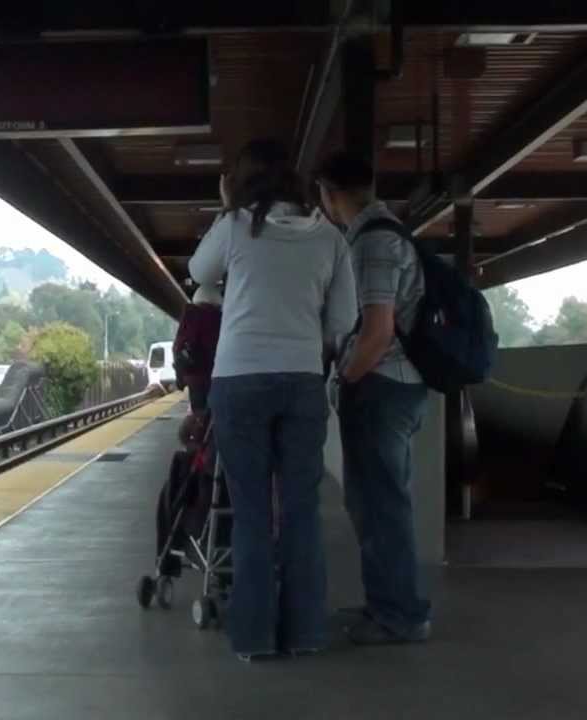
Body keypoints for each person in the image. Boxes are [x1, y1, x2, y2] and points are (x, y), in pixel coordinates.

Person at [189, 138, 357, 661]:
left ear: (239, 183)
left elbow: (199, 273)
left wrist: (224, 210)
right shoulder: (330, 238)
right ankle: (306, 633)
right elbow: (345, 320)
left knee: (252, 513)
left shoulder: (236, 226)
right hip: (302, 381)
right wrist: (311, 340)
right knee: (302, 511)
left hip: (239, 382)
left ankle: (255, 637)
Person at [315, 151, 432, 645]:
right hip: (393, 386)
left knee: (381, 504)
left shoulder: (373, 242)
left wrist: (344, 379)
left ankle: (398, 616)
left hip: (382, 387)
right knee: (379, 502)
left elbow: (377, 330)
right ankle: (388, 605)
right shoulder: (382, 233)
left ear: (327, 193)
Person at [172, 283, 222, 413]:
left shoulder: (188, 318)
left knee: (199, 416)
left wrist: (180, 380)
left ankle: (196, 427)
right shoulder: (218, 318)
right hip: (217, 377)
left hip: (195, 378)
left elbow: (178, 349)